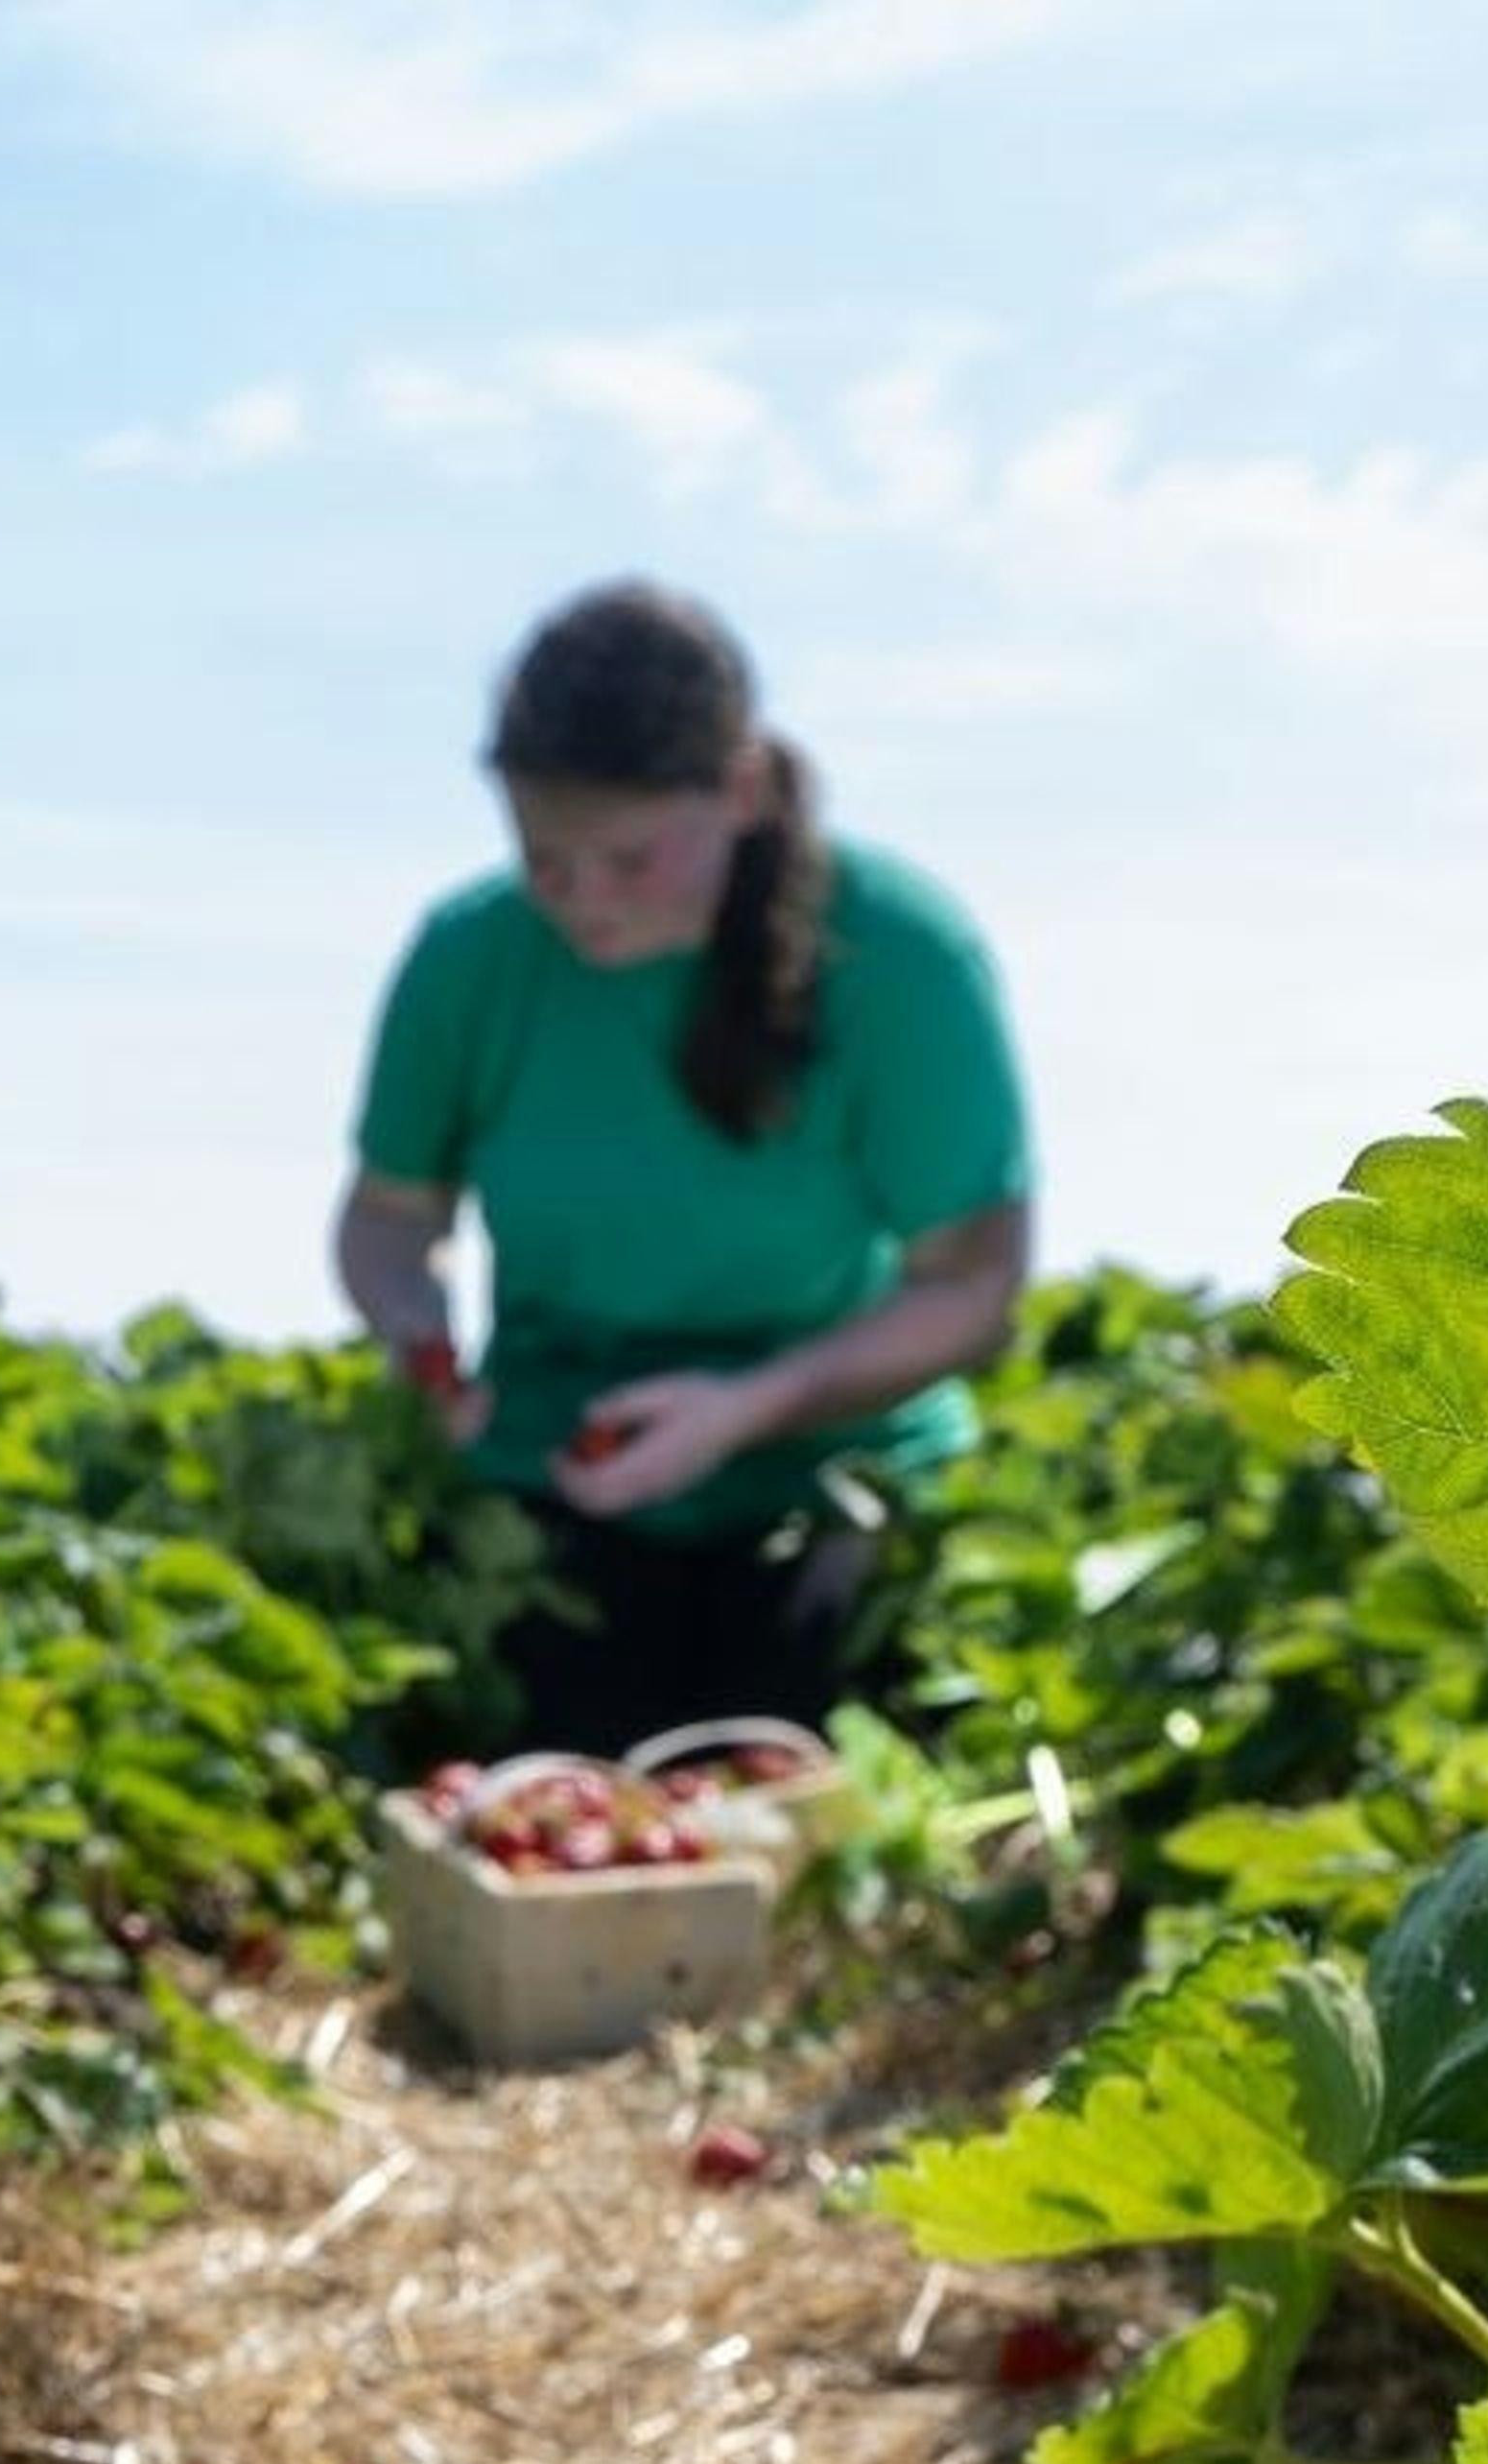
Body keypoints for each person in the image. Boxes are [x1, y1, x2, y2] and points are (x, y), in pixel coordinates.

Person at [330, 579, 1036, 1764]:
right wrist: (413, 1324)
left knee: (786, 1763)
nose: (582, 901)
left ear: (742, 792)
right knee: (566, 1773)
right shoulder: (470, 958)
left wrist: (748, 1408)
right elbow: (386, 1218)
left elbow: (970, 1288)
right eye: (544, 860)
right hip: (559, 1472)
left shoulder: (902, 953)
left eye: (628, 858)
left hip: (836, 1471)